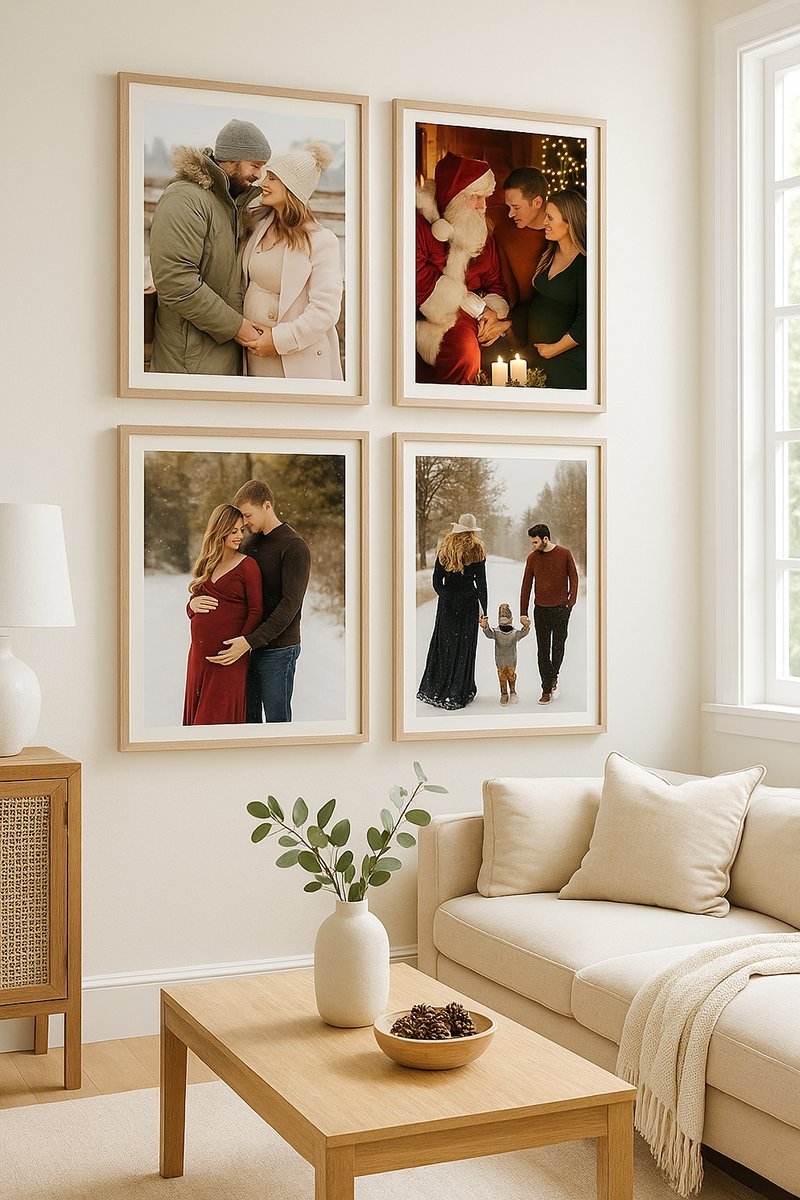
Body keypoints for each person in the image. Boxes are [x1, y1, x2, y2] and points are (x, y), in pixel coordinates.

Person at [149, 118, 271, 375]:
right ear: (232, 159)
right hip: (188, 363)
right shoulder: (185, 199)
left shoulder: (230, 204)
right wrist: (236, 327)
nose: (258, 175)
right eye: (255, 165)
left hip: (220, 358)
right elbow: (175, 281)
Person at [205, 479, 310, 724]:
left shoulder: (294, 546)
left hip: (279, 649)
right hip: (247, 648)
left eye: (247, 515)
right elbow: (228, 582)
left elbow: (290, 605)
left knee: (276, 723)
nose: (243, 522)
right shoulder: (249, 543)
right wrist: (194, 602)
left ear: (267, 505)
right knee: (247, 721)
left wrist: (251, 641)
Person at [240, 141, 343, 379]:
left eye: (272, 178)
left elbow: (324, 312)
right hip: (254, 357)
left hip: (296, 362)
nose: (263, 183)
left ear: (292, 188)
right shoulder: (257, 227)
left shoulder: (321, 240)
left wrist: (277, 341)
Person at [415, 152, 509, 385]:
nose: (484, 206)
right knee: (463, 350)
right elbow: (418, 280)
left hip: (479, 314)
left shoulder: (481, 231)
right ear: (456, 196)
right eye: (477, 197)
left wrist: (492, 315)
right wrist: (473, 306)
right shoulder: (421, 226)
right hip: (436, 317)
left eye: (486, 198)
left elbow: (495, 283)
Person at [183, 505, 263, 725]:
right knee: (197, 728)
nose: (240, 536)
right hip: (199, 658)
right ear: (220, 530)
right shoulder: (207, 564)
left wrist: (242, 645)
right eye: (234, 530)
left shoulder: (248, 566)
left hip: (229, 658)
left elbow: (256, 611)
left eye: (242, 530)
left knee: (214, 723)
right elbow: (193, 605)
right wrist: (191, 605)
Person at [417, 514, 488, 710]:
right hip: (468, 603)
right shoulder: (477, 550)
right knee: (464, 647)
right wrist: (484, 610)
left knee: (445, 646)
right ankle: (459, 690)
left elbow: (436, 580)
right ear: (472, 530)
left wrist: (445, 595)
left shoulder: (445, 549)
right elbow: (481, 584)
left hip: (448, 604)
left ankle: (439, 688)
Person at [527, 189, 588, 389]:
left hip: (566, 362)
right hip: (537, 356)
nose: (544, 222)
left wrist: (554, 349)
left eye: (550, 217)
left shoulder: (586, 264)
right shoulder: (548, 255)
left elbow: (587, 319)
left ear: (569, 222)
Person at [519, 523, 579, 705]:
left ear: (546, 539)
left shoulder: (564, 553)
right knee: (543, 650)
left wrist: (570, 602)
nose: (533, 545)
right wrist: (523, 612)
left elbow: (574, 577)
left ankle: (553, 676)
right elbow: (526, 585)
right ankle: (546, 688)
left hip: (561, 609)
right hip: (541, 610)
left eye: (535, 542)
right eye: (532, 542)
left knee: (558, 647)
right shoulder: (532, 558)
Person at [492, 168, 549, 339]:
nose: (510, 214)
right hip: (509, 313)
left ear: (537, 202)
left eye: (516, 207)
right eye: (508, 206)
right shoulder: (503, 230)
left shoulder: (560, 234)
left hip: (545, 318)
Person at [479, 604, 531, 704]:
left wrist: (526, 626)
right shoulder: (496, 632)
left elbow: (523, 633)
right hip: (500, 661)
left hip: (511, 661)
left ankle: (512, 691)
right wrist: (485, 627)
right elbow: (489, 634)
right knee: (502, 677)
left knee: (511, 676)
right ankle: (504, 693)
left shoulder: (514, 633)